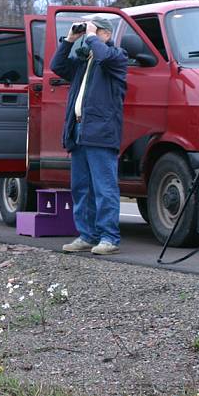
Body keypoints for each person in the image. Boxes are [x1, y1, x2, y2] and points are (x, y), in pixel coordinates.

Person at [50, 17, 128, 255]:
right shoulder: (83, 61)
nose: (87, 35)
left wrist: (93, 36)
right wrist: (69, 40)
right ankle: (87, 235)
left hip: (101, 132)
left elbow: (103, 56)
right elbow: (57, 65)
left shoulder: (116, 57)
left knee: (104, 188)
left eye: (93, 31)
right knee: (81, 188)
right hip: (79, 129)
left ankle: (109, 237)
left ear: (105, 33)